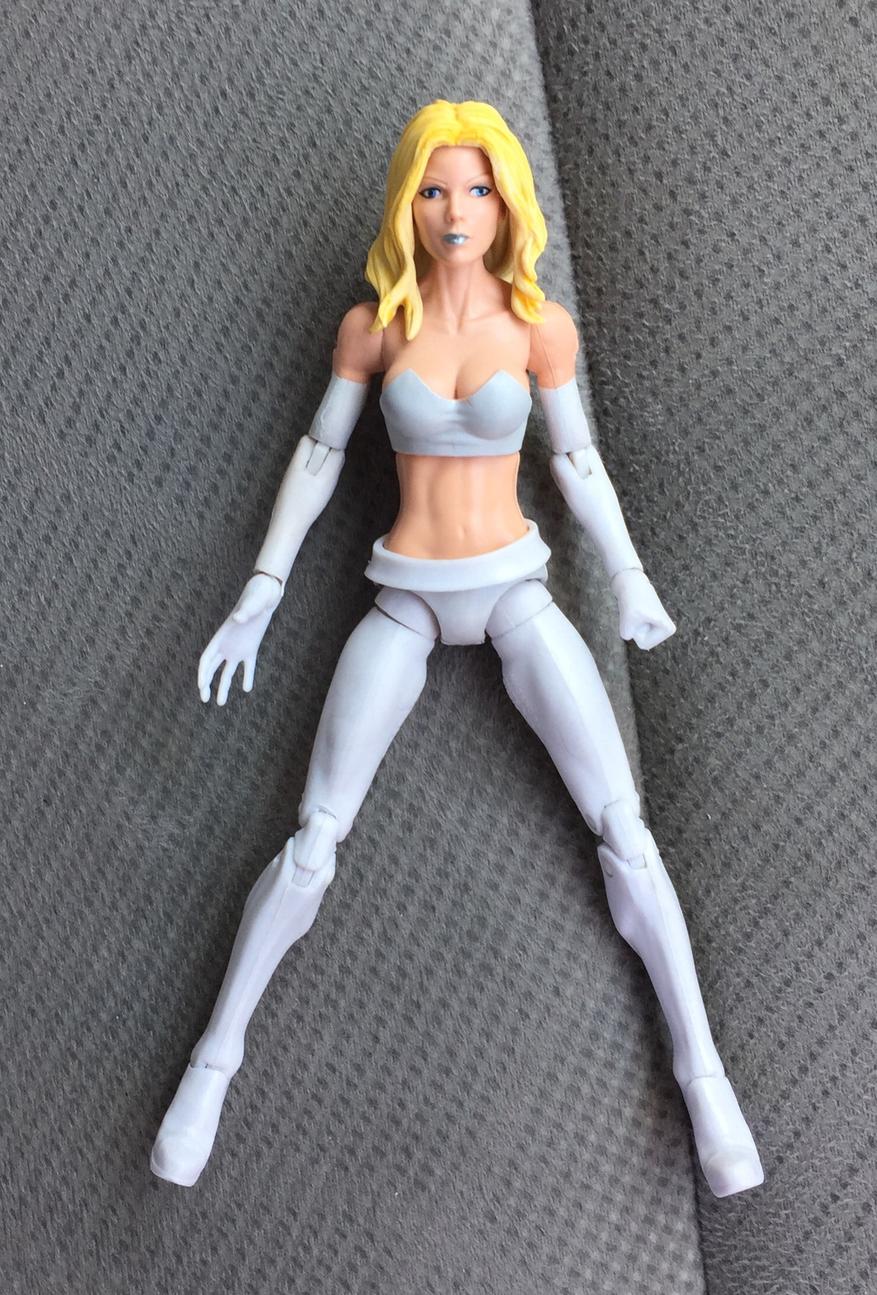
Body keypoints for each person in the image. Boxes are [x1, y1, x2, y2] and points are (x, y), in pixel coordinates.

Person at [150, 100, 764, 1197]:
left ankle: (703, 1074)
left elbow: (575, 462)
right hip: (404, 600)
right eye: (434, 189)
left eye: (476, 189)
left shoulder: (538, 327)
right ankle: (213, 1060)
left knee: (625, 831)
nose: (454, 210)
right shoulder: (374, 327)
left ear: (507, 202)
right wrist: (262, 588)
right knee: (312, 840)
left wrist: (629, 574)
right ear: (408, 203)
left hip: (517, 593)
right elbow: (318, 452)